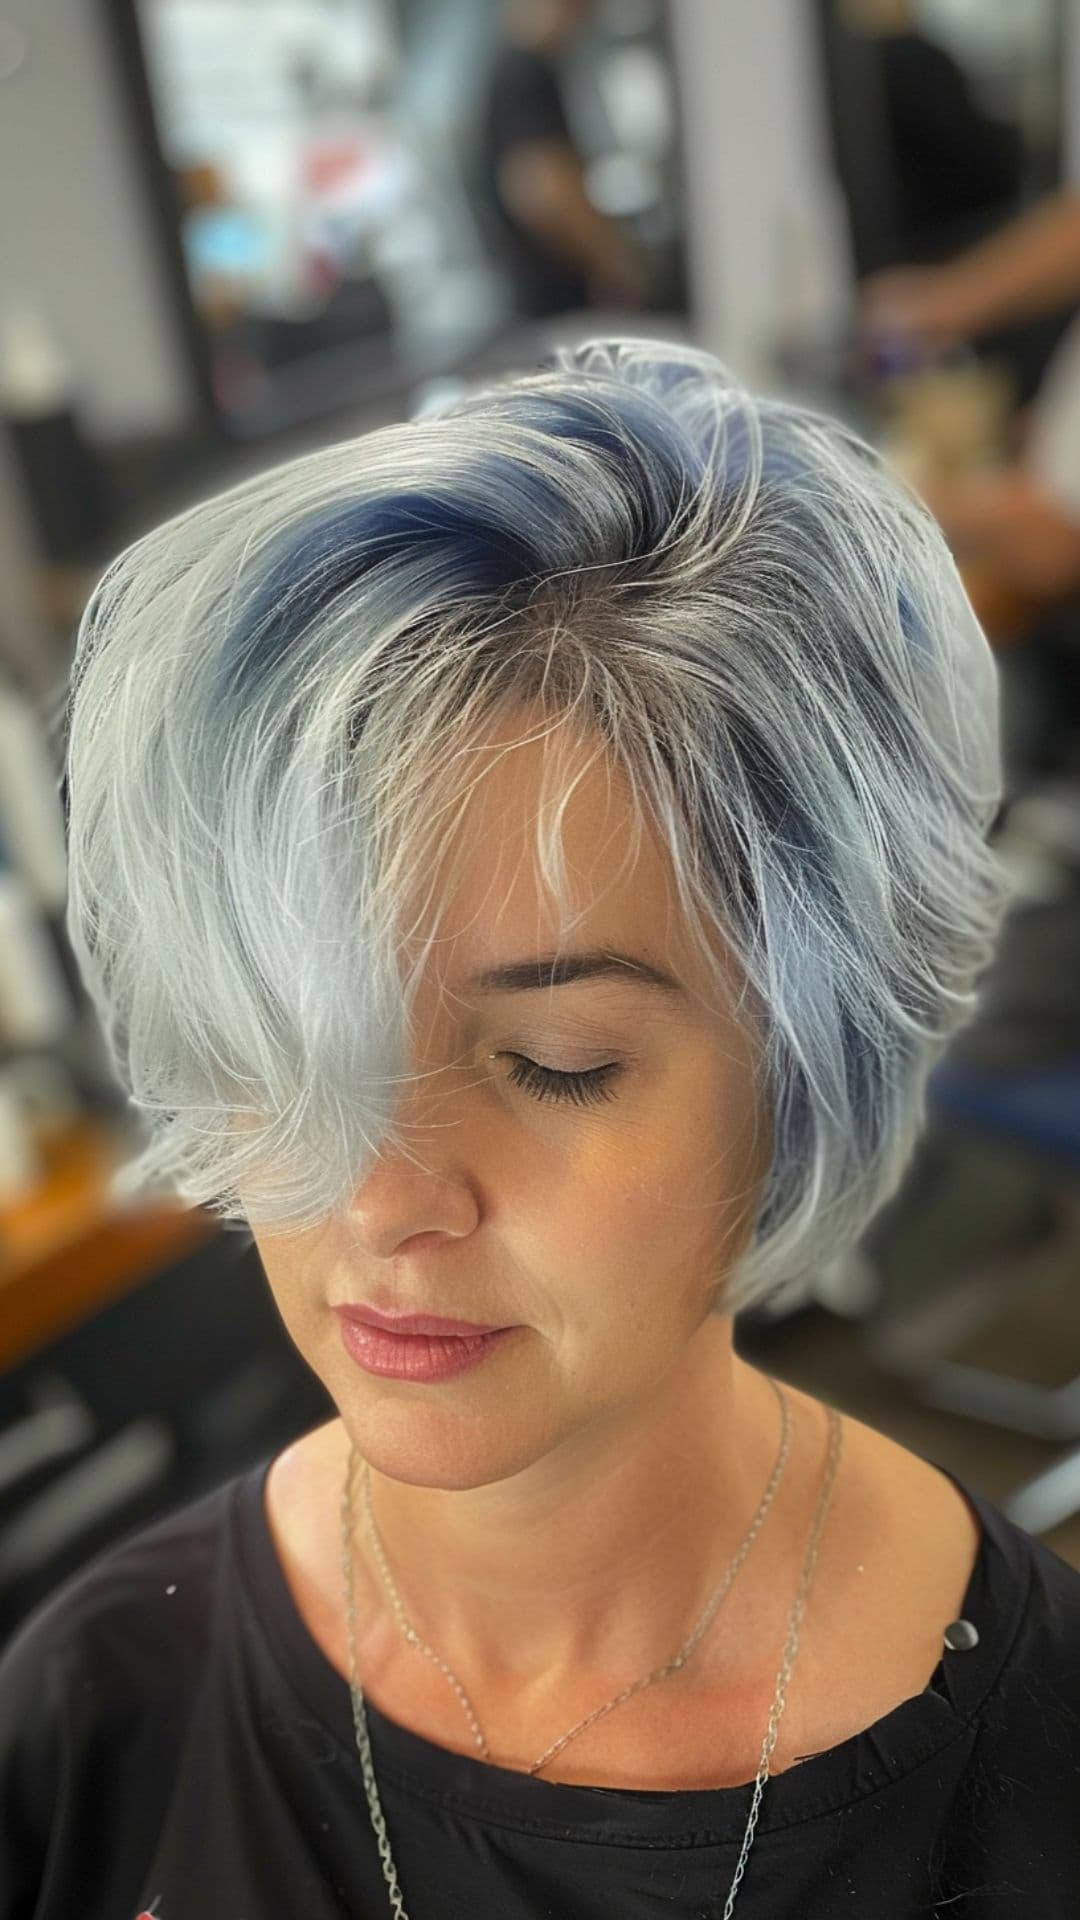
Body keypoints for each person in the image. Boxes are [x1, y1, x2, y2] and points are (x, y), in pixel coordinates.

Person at [4, 336, 1080, 1916]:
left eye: (555, 1062)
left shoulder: (1034, 1800)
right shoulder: (100, 1714)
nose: (378, 1199)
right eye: (292, 1043)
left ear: (802, 1062)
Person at [474, 0, 649, 318]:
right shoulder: (525, 71)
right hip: (553, 302)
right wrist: (613, 261)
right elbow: (541, 187)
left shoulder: (508, 66)